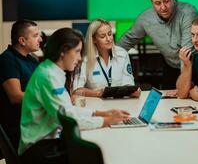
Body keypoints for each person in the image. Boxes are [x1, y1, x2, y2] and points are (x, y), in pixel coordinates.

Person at [19, 28, 130, 163]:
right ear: (63, 52)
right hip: (39, 150)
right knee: (100, 154)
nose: (79, 58)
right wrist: (106, 121)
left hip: (48, 142)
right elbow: (69, 120)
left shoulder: (53, 71)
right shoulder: (48, 77)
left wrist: (101, 113)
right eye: (77, 52)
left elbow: (68, 110)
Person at [117, 0, 198, 89]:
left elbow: (187, 53)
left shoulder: (188, 13)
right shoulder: (146, 19)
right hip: (170, 66)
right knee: (167, 100)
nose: (163, 7)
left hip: (194, 64)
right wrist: (108, 61)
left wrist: (182, 87)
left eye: (166, 1)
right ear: (152, 3)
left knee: (191, 99)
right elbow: (126, 41)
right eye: (158, 3)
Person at [0, 19, 42, 151]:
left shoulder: (31, 59)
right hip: (19, 129)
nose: (40, 39)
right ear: (22, 41)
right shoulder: (7, 59)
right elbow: (16, 96)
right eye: (35, 36)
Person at [73, 18, 140, 98]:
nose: (109, 39)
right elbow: (77, 90)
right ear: (94, 39)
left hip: (119, 104)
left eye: (109, 34)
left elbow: (128, 83)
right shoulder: (84, 59)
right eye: (103, 36)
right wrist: (97, 93)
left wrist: (133, 92)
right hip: (95, 105)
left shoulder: (122, 54)